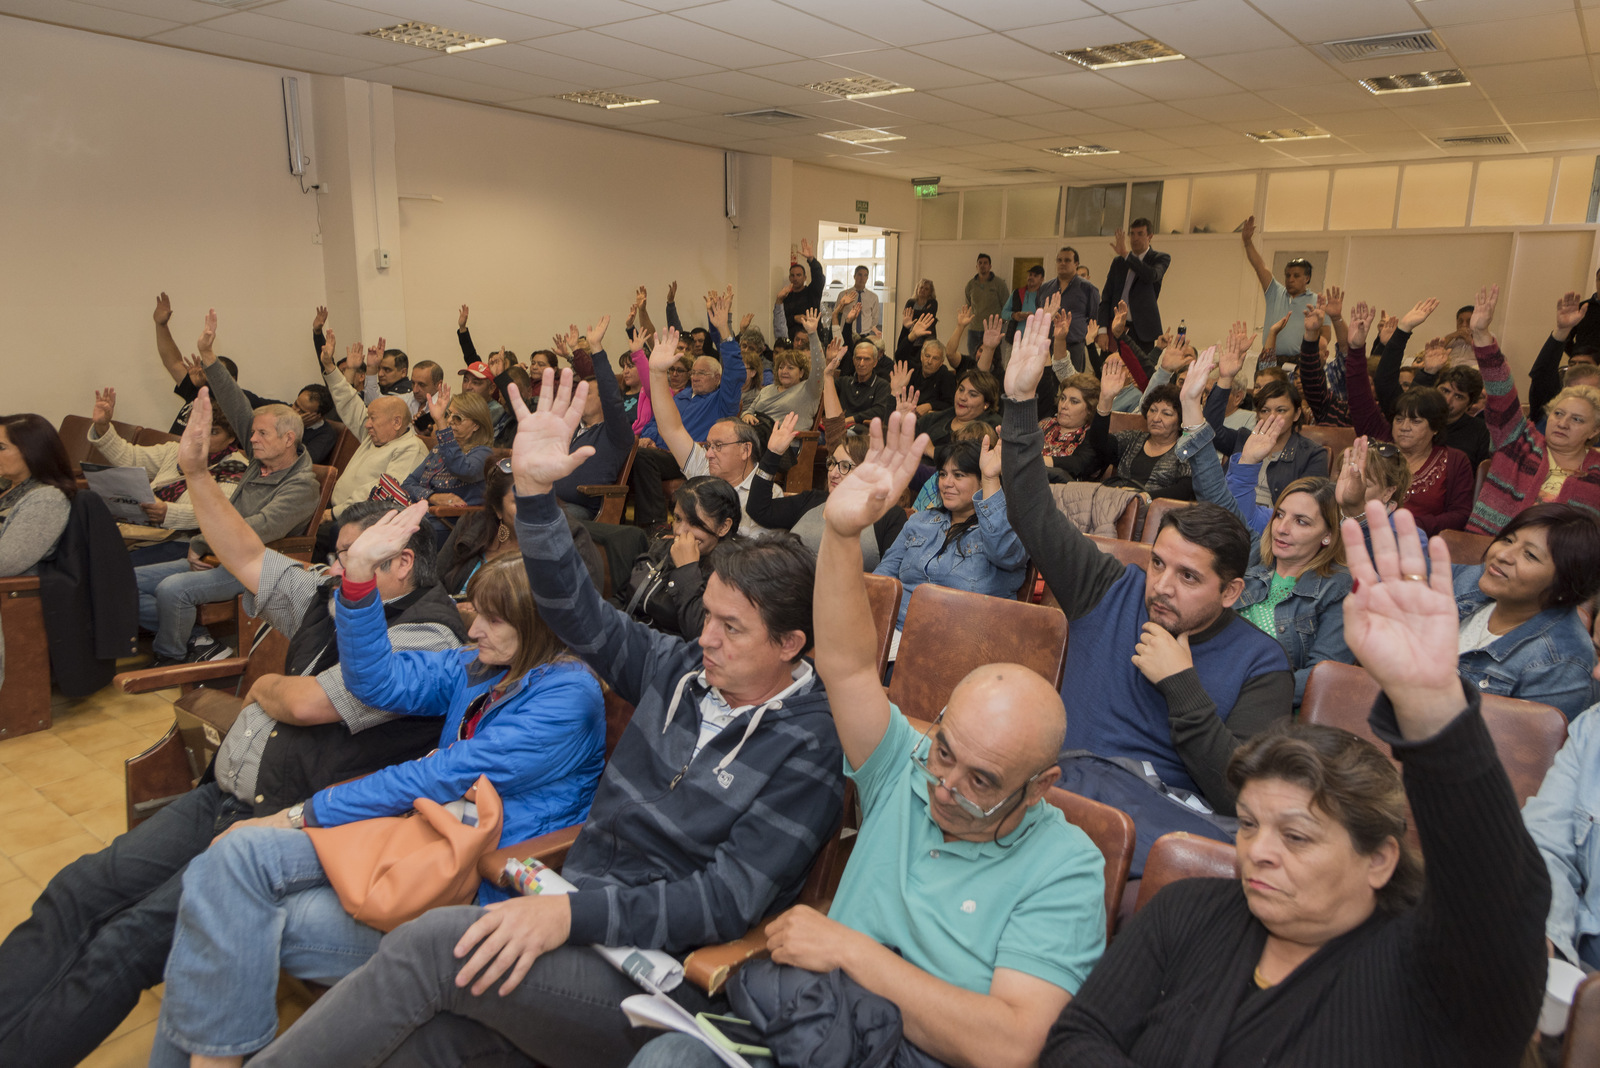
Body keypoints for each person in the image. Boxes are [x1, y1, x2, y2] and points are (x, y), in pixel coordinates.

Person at [247, 368, 845, 1068]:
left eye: (730, 629)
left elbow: (724, 900)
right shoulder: (681, 668)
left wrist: (568, 914)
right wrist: (532, 496)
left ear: (790, 644)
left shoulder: (807, 744)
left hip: (653, 967)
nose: (705, 638)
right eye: (706, 616)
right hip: (572, 910)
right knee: (431, 1041)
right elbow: (575, 613)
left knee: (436, 944)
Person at [0, 390, 468, 1068]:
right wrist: (194, 474)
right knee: (79, 888)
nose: (337, 572)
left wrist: (266, 687)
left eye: (352, 559)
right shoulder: (328, 590)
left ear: (400, 562)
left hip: (280, 824)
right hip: (220, 796)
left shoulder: (426, 635)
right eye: (337, 559)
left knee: (125, 943)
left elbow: (309, 704)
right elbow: (246, 553)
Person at [627, 411, 1109, 1068]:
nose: (945, 786)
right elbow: (850, 666)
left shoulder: (1067, 867)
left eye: (982, 782)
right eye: (945, 750)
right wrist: (842, 530)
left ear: (1040, 786)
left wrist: (852, 952)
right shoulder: (903, 770)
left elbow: (1009, 1045)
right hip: (814, 1023)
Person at [1042, 502, 1550, 1068]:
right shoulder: (1183, 909)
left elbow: (1502, 911)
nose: (1258, 851)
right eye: (1252, 825)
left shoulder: (1421, 976)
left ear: (1379, 861)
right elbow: (1077, 1037)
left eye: (1298, 837)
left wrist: (1429, 705)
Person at [147, 502, 607, 1068]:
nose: (473, 626)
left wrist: (301, 814)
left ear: (539, 624)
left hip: (468, 892)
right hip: (419, 846)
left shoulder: (567, 698)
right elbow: (375, 678)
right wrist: (359, 578)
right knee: (224, 867)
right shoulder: (483, 666)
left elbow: (436, 775)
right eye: (476, 612)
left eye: (492, 618)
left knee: (219, 913)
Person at [1003, 309, 1292, 870]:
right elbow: (1031, 511)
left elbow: (1241, 798)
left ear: (1232, 593)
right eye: (1159, 563)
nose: (1160, 586)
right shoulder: (1112, 588)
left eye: (1188, 577)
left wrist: (1182, 687)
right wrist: (1019, 403)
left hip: (1155, 827)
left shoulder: (1262, 665)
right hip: (1056, 797)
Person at [136, 311, 319, 666]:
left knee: (171, 590)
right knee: (124, 582)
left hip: (257, 565)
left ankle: (171, 661)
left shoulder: (302, 485)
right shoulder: (264, 454)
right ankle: (196, 640)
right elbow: (236, 404)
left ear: (288, 439)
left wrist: (201, 542)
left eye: (261, 434)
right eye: (253, 434)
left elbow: (257, 529)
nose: (251, 439)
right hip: (220, 554)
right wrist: (208, 357)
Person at [1177, 350, 1354, 704]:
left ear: (1328, 535)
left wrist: (1243, 684)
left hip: (1262, 707)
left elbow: (1323, 676)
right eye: (1281, 515)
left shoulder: (1337, 588)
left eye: (1301, 521)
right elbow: (1216, 497)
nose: (1282, 528)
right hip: (1204, 685)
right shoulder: (1258, 556)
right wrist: (1191, 407)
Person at [1465, 285, 1600, 534]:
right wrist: (1481, 335)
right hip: (1488, 553)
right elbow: (1500, 389)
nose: (1563, 423)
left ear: (1594, 431)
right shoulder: (1517, 440)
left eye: (1577, 420)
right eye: (1558, 414)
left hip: (1560, 568)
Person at [1450, 502, 1600, 720]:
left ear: (1564, 585)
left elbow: (1521, 748)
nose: (1503, 555)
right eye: (1508, 539)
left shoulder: (1561, 664)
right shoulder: (1482, 580)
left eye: (1530, 555)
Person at [875, 438, 1026, 642]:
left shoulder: (1008, 529)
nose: (947, 483)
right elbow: (882, 581)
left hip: (964, 642)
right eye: (943, 474)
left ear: (982, 480)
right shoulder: (919, 521)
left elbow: (1006, 554)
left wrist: (991, 479)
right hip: (897, 632)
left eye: (958, 475)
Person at [1342, 305, 1474, 534]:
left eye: (1415, 422)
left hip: (1423, 547)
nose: (1403, 427)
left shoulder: (1454, 461)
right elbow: (1359, 397)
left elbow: (1460, 515)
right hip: (1366, 540)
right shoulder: (1380, 441)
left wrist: (1410, 526)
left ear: (1434, 428)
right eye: (1400, 419)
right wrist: (1355, 349)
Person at [647, 322, 778, 535]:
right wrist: (657, 373)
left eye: (718, 446)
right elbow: (670, 429)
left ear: (745, 450)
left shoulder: (766, 493)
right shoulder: (704, 469)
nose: (708, 453)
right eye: (709, 446)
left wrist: (725, 333)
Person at [630, 291, 747, 528]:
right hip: (661, 452)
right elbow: (656, 422)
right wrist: (648, 438)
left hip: (691, 455)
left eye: (702, 373)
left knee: (643, 459)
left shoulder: (722, 400)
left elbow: (735, 372)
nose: (695, 377)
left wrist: (725, 331)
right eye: (693, 372)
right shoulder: (681, 396)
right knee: (632, 451)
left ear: (717, 378)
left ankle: (653, 525)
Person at [85, 385, 248, 554]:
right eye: (199, 428)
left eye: (213, 432)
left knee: (110, 565)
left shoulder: (236, 468)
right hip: (146, 533)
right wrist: (102, 427)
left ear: (231, 437)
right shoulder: (176, 450)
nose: (203, 436)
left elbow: (219, 514)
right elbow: (130, 458)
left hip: (185, 542)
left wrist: (168, 512)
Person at [747, 412, 905, 568]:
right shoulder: (812, 500)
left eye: (845, 466)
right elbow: (758, 509)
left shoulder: (889, 516)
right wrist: (773, 455)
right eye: (833, 463)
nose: (833, 473)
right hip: (793, 587)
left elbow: (891, 576)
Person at [438, 457, 603, 599]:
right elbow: (434, 583)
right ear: (497, 509)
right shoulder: (472, 525)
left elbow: (586, 610)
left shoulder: (571, 536)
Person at [1206, 321, 1329, 502]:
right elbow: (1210, 429)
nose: (1272, 416)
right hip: (1227, 516)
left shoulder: (1312, 454)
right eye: (1264, 410)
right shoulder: (1243, 439)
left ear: (1296, 414)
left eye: (1281, 410)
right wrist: (1226, 378)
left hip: (1275, 523)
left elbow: (1311, 505)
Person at [1524, 686, 1600, 969]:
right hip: (1577, 962)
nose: (1596, 673)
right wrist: (1545, 932)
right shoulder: (1593, 726)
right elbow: (1544, 843)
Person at [318, 329, 431, 519]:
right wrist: (330, 367)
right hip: (335, 510)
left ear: (396, 422)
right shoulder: (375, 434)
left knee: (304, 537)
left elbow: (382, 495)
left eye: (373, 418)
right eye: (368, 417)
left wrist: (332, 514)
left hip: (361, 520)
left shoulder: (410, 449)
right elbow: (348, 401)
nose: (367, 424)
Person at [0, 413, 75, 692]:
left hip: (14, 595)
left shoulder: (46, 499)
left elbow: (6, 562)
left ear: (31, 452)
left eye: (1, 447)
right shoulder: (8, 486)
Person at [614, 475, 741, 639]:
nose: (680, 531)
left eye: (694, 523)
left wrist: (686, 569)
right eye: (678, 519)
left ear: (723, 527)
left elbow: (702, 634)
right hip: (633, 639)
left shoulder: (732, 571)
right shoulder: (664, 548)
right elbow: (623, 597)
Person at [153, 293, 279, 433]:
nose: (207, 377)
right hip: (173, 449)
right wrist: (161, 325)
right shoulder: (199, 388)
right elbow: (173, 363)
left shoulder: (241, 400)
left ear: (232, 381)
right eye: (206, 372)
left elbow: (280, 410)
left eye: (213, 375)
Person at [400, 388, 495, 541]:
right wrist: (433, 497)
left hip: (452, 526)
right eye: (448, 414)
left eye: (457, 418)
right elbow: (408, 484)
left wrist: (441, 424)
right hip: (424, 515)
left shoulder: (483, 454)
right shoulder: (439, 449)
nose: (450, 420)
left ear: (476, 425)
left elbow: (461, 469)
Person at [1239, 216, 1317, 359]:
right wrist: (1247, 242)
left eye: (1296, 276)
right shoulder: (1275, 292)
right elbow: (1259, 266)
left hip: (1300, 361)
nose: (1290, 279)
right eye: (1287, 275)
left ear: (1307, 278)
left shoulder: (1316, 301)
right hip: (1269, 357)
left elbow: (1325, 334)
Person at [1105, 383, 1194, 500]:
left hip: (1156, 512)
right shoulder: (1134, 438)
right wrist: (1105, 399)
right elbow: (1100, 444)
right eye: (1152, 410)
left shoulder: (1186, 450)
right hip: (1116, 500)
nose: (1156, 418)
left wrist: (1145, 497)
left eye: (1166, 414)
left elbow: (1185, 490)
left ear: (1181, 422)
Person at [743, 308, 825, 426]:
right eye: (781, 367)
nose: (784, 371)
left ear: (801, 372)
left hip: (786, 441)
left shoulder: (809, 390)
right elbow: (748, 411)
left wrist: (812, 334)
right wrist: (747, 415)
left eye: (790, 368)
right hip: (756, 434)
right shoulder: (767, 390)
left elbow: (819, 368)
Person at [1096, 219, 1169, 351]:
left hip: (1142, 332)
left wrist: (1126, 254)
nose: (1135, 238)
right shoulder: (1118, 263)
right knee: (1108, 368)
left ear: (1150, 236)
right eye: (1132, 234)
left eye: (1140, 234)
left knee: (1140, 370)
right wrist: (1102, 330)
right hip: (1115, 327)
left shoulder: (1159, 258)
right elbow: (1106, 297)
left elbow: (1152, 275)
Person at [1039, 364, 1116, 483]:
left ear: (1090, 409)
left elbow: (1078, 465)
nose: (1064, 406)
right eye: (1063, 398)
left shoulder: (1094, 438)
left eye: (1074, 402)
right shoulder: (1045, 424)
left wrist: (1036, 461)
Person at [1037, 246, 1099, 369]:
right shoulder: (1045, 288)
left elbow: (1093, 318)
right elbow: (1039, 313)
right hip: (1048, 346)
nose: (1062, 263)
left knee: (1071, 385)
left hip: (1073, 346)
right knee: (1047, 386)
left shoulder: (1088, 288)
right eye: (1059, 260)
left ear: (1076, 263)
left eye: (1067, 260)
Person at [915, 367, 1001, 457]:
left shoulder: (992, 427)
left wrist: (932, 451)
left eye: (972, 395)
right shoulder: (933, 418)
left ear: (986, 404)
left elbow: (969, 461)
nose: (962, 397)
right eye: (961, 390)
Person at [825, 340, 892, 428]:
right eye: (858, 358)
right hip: (839, 429)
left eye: (867, 359)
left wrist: (851, 419)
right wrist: (829, 362)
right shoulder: (844, 382)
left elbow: (879, 411)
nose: (861, 363)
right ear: (853, 360)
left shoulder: (882, 385)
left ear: (875, 362)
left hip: (861, 432)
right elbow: (823, 393)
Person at [965, 253, 1011, 357]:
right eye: (980, 263)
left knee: (993, 360)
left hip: (992, 330)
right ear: (976, 266)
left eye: (985, 263)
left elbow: (1006, 306)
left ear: (990, 266)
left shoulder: (999, 284)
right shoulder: (970, 285)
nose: (982, 265)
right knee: (973, 359)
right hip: (974, 329)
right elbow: (968, 306)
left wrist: (1001, 323)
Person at [778, 238, 825, 340]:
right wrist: (794, 318)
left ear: (805, 277)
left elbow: (818, 276)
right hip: (792, 341)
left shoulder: (812, 292)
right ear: (790, 278)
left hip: (812, 338)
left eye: (799, 275)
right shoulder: (786, 297)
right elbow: (780, 320)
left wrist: (811, 259)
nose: (795, 278)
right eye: (792, 275)